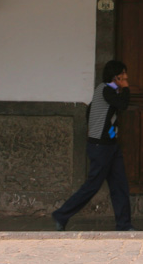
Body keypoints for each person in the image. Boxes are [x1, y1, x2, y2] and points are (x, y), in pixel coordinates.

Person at [52, 60, 134, 231]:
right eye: (123, 74)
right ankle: (61, 214)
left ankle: (124, 224)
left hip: (110, 146)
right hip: (101, 147)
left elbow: (99, 115)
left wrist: (110, 136)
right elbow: (123, 104)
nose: (126, 77)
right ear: (116, 76)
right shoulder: (106, 89)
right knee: (92, 186)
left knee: (120, 186)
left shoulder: (107, 91)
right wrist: (125, 88)